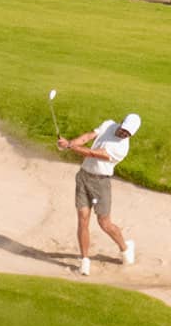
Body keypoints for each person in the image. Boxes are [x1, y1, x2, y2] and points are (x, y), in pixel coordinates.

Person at [58, 113, 141, 276]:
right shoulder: (109, 124)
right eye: (124, 130)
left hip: (100, 183)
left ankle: (125, 248)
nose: (125, 134)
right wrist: (69, 143)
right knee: (83, 219)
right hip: (83, 177)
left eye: (129, 133)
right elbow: (88, 136)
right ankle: (85, 261)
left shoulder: (122, 148)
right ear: (121, 121)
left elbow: (93, 153)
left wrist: (69, 146)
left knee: (104, 223)